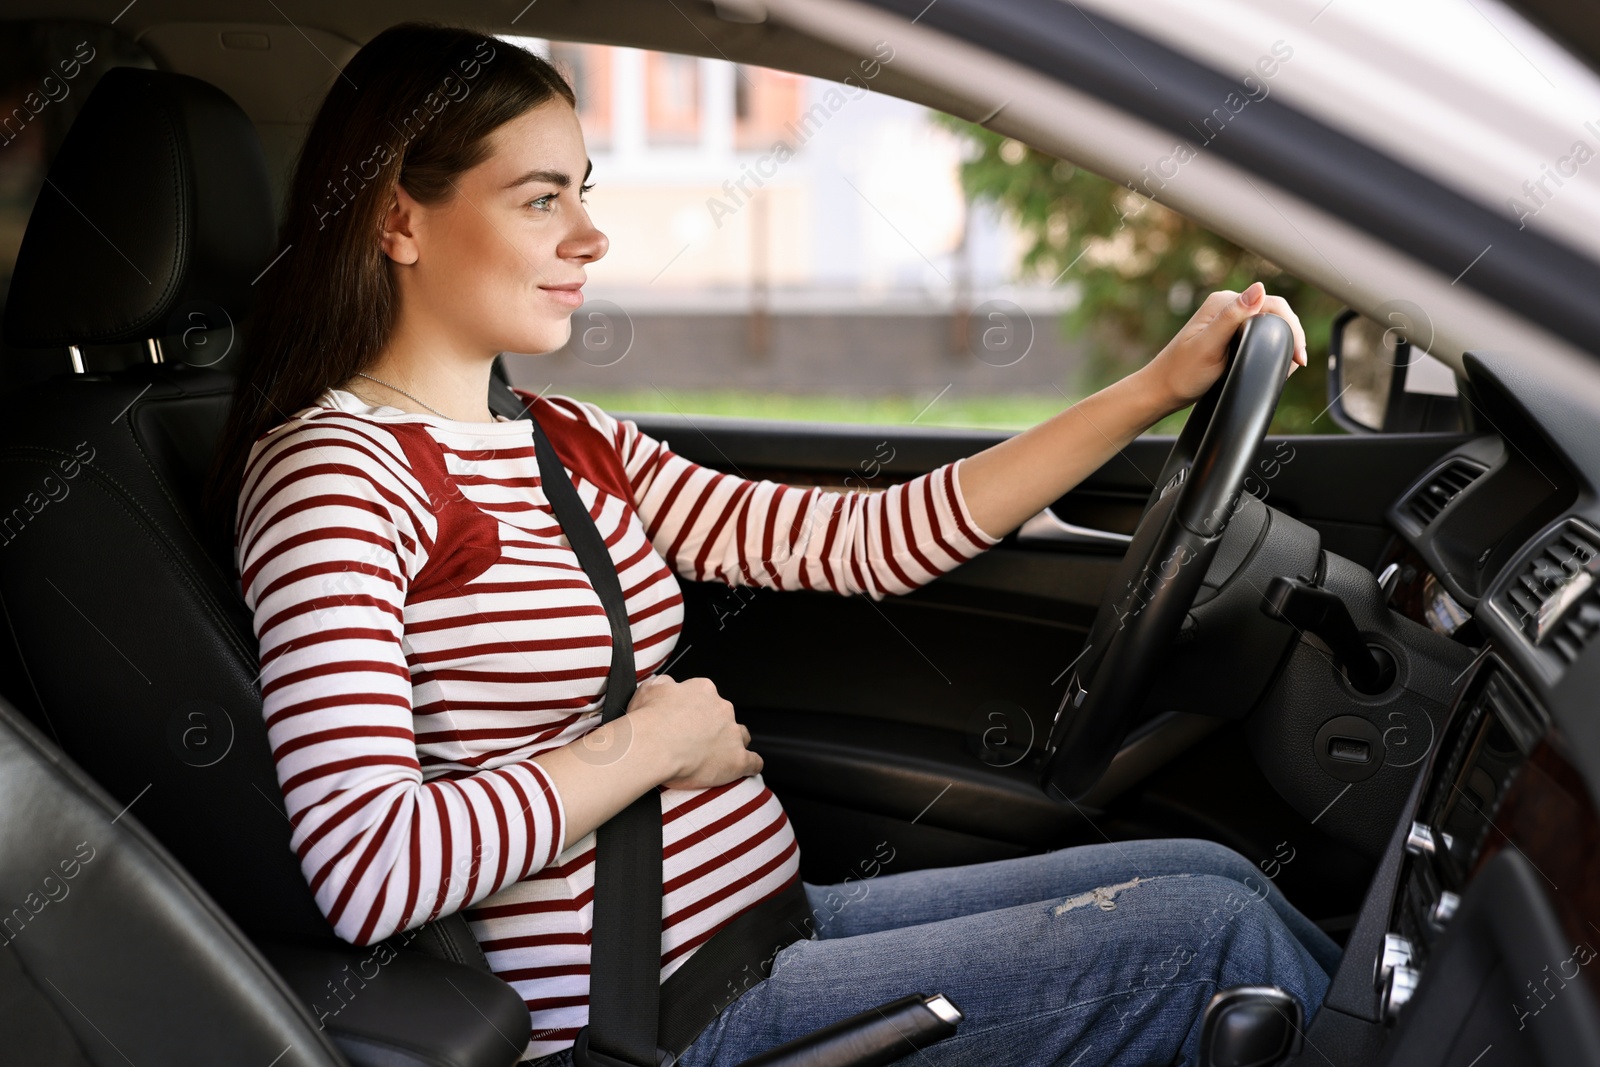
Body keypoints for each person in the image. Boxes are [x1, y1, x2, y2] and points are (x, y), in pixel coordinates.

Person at [209, 22, 1332, 1067]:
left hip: (769, 929)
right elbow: (370, 864)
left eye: (583, 193)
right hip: (661, 1016)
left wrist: (1150, 390)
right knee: (1214, 937)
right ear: (398, 219)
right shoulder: (335, 475)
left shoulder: (560, 436)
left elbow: (863, 542)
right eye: (539, 199)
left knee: (1210, 874)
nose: (591, 237)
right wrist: (653, 743)